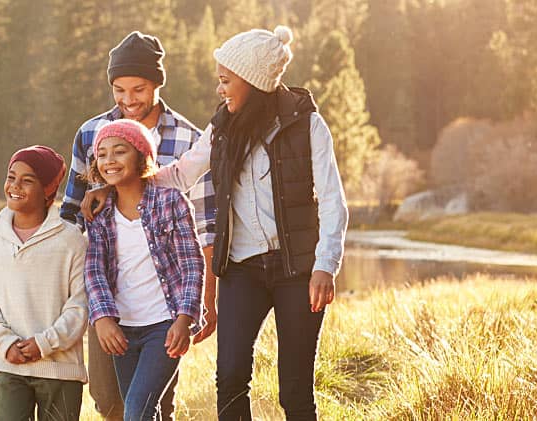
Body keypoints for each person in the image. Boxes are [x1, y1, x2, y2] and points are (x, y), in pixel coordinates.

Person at [60, 30, 218, 421]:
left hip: (165, 302)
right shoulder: (89, 134)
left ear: (158, 84)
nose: (129, 100)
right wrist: (90, 309)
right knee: (107, 399)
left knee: (151, 402)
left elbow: (205, 229)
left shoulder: (188, 139)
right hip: (110, 301)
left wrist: (203, 306)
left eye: (139, 89)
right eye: (119, 90)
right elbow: (71, 219)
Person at [206, 25, 349, 420]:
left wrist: (325, 266)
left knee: (295, 391)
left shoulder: (308, 126)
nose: (220, 89)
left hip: (297, 271)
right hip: (241, 269)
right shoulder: (222, 129)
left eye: (225, 80)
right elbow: (183, 172)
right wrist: (116, 183)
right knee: (231, 377)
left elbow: (334, 202)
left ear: (252, 81)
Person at [82, 120, 206, 421]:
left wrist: (184, 319)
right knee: (139, 411)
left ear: (141, 156)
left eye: (119, 151)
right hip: (122, 330)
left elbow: (192, 264)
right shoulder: (99, 214)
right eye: (102, 154)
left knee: (138, 410)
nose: (110, 160)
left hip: (163, 327)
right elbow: (94, 270)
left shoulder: (171, 202)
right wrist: (103, 318)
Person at [0, 145, 90, 420]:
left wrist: (44, 343)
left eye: (27, 180)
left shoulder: (71, 240)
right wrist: (4, 343)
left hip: (60, 370)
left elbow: (80, 306)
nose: (15, 186)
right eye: (11, 177)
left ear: (49, 189)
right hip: (9, 366)